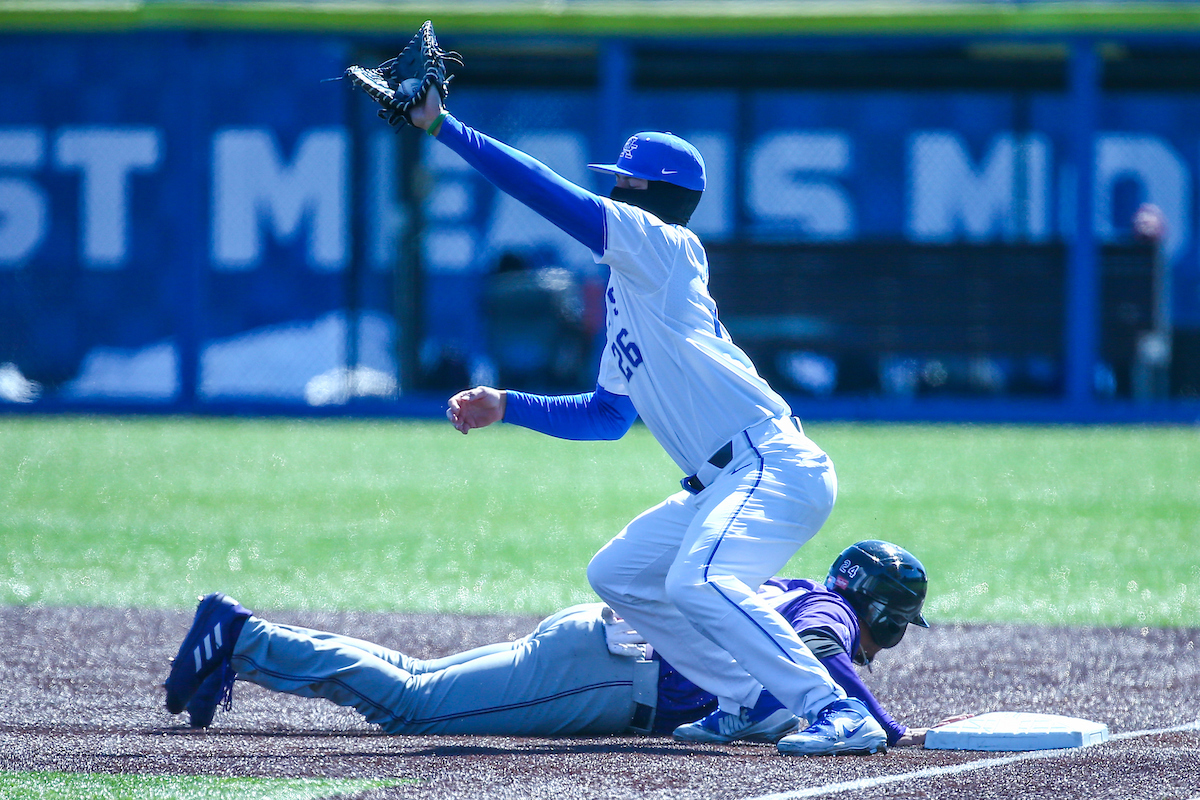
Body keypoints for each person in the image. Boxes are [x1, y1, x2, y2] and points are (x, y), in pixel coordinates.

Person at [406, 85, 883, 756]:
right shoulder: (635, 295)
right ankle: (748, 700)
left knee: (701, 578)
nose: (611, 195)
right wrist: (510, 405)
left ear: (646, 194)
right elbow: (606, 417)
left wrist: (443, 128)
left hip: (772, 463)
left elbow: (549, 195)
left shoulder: (663, 244)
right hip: (728, 477)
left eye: (622, 183)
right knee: (622, 572)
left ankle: (833, 708)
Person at [162, 540, 939, 750]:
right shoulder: (828, 612)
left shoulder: (792, 588)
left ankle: (242, 645)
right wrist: (885, 727)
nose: (893, 640)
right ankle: (242, 636)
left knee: (416, 680)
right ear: (881, 610)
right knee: (413, 707)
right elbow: (821, 652)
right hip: (607, 677)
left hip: (598, 653)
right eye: (898, 623)